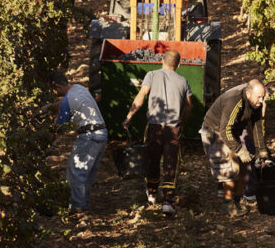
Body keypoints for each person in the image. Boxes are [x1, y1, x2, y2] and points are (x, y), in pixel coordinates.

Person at [122, 50, 192, 215]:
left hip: (154, 127)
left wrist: (129, 116)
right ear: (179, 64)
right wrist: (182, 122)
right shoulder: (183, 81)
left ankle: (152, 193)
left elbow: (141, 96)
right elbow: (189, 106)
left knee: (152, 159)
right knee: (170, 163)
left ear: (162, 60)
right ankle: (167, 201)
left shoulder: (151, 75)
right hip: (173, 128)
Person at [200, 79, 269, 216]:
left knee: (242, 166)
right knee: (230, 167)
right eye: (259, 97)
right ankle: (227, 203)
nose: (261, 100)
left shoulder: (256, 103)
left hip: (231, 132)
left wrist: (261, 150)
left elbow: (257, 126)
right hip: (215, 131)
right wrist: (239, 150)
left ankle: (238, 200)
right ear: (248, 94)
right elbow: (225, 130)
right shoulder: (235, 101)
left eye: (263, 97)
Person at [47, 72, 108, 212]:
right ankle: (84, 204)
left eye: (53, 90)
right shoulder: (79, 88)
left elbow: (60, 124)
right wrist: (50, 106)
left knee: (76, 171)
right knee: (88, 173)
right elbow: (64, 103)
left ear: (56, 86)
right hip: (101, 133)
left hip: (88, 136)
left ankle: (78, 206)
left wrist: (51, 122)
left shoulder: (68, 100)